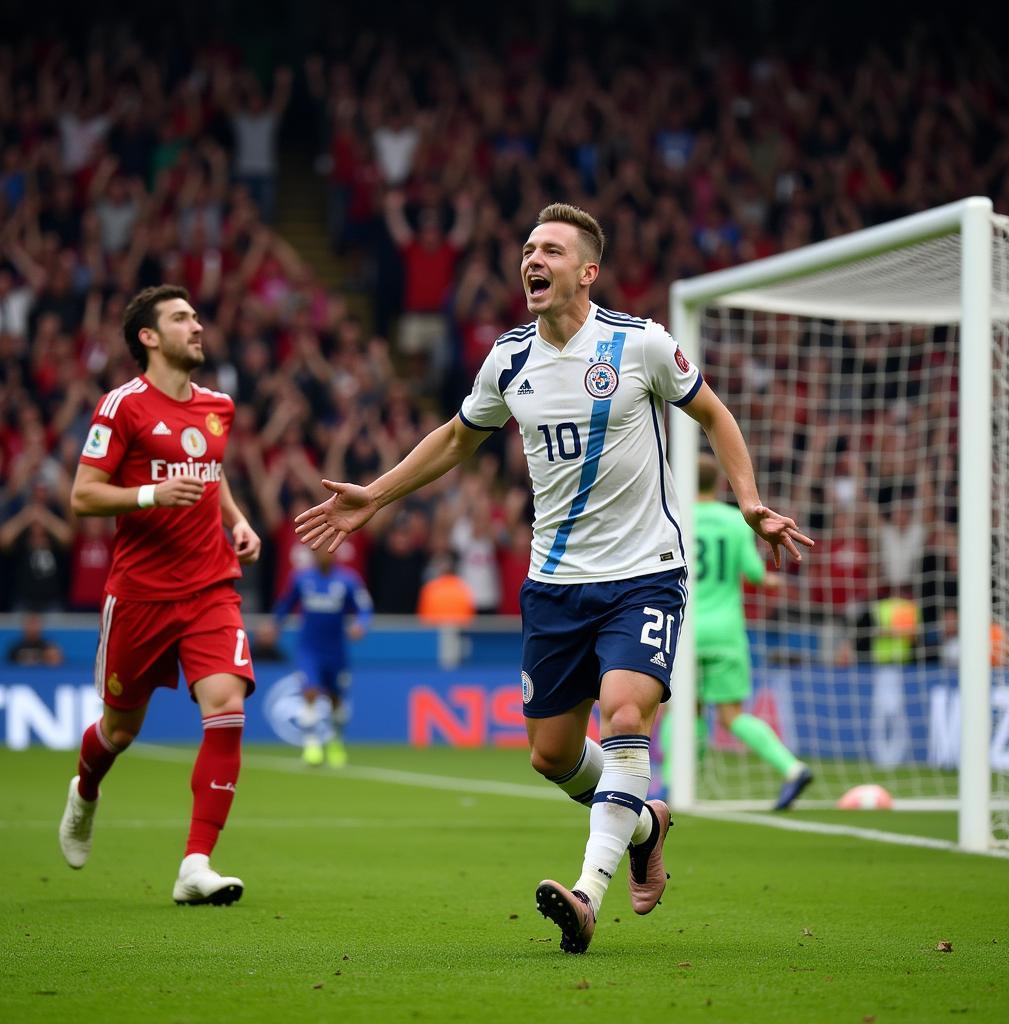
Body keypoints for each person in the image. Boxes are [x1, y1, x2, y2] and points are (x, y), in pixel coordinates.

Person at [295, 204, 811, 953]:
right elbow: (454, 440)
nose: (532, 260)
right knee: (551, 755)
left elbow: (715, 415)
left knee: (626, 715)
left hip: (644, 575)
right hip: (556, 585)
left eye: (551, 251)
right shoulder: (508, 359)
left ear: (587, 272)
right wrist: (376, 493)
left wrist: (749, 499)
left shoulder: (640, 345)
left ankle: (589, 893)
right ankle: (644, 823)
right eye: (528, 248)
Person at [58, 284, 261, 907]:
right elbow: (83, 495)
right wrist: (148, 495)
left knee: (227, 706)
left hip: (210, 587)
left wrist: (236, 520)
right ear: (148, 337)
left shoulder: (218, 407)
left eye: (196, 316)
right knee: (119, 731)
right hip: (141, 596)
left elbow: (211, 471)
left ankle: (195, 863)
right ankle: (85, 790)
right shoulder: (122, 407)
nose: (196, 326)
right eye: (180, 319)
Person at [659, 455, 813, 811]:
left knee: (681, 711)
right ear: (719, 484)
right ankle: (791, 768)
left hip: (684, 631)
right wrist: (776, 580)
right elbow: (756, 574)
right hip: (726, 632)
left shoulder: (675, 520)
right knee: (731, 715)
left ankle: (671, 783)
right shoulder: (734, 521)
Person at [268, 544, 373, 767]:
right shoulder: (301, 578)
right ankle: (312, 745)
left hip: (336, 651)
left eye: (328, 550)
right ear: (313, 553)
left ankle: (335, 740)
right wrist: (274, 625)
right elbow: (285, 605)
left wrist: (361, 625)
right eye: (320, 550)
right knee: (310, 692)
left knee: (336, 700)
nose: (324, 553)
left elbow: (364, 607)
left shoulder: (348, 580)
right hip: (309, 649)